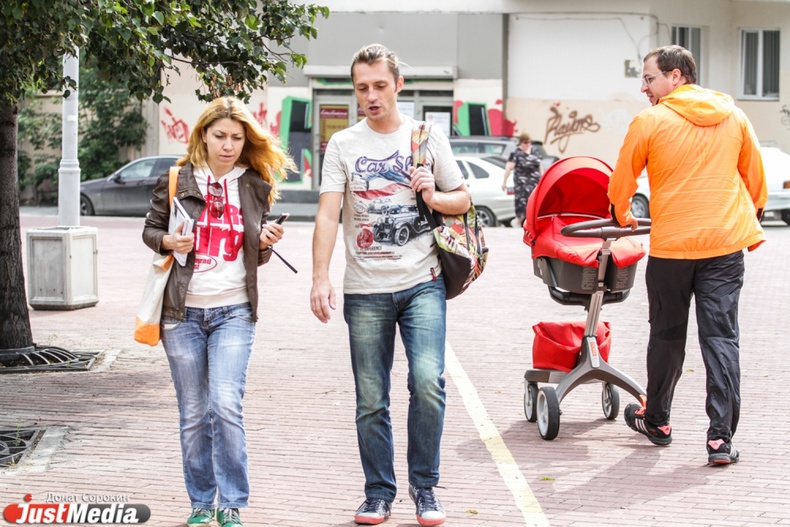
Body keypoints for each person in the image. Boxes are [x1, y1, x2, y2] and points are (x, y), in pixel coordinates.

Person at [310, 43, 470, 526]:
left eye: (380, 86)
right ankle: (378, 492)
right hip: (365, 289)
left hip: (423, 282)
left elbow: (462, 199)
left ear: (398, 85)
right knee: (370, 398)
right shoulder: (343, 144)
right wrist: (320, 277)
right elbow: (328, 214)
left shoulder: (426, 136)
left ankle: (425, 487)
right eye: (362, 88)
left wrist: (433, 195)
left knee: (428, 382)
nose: (371, 96)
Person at [608, 45, 767, 466]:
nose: (644, 88)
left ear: (675, 76)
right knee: (721, 339)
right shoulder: (734, 116)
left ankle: (657, 420)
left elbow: (622, 180)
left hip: (672, 250)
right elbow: (755, 178)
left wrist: (622, 215)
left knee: (666, 336)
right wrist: (749, 218)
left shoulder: (650, 121)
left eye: (649, 79)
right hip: (724, 248)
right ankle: (720, 440)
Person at [142, 96, 293, 526]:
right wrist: (168, 241)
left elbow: (255, 256)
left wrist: (264, 242)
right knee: (194, 413)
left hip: (234, 311)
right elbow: (151, 230)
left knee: (225, 404)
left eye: (237, 138)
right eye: (220, 136)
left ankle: (231, 502)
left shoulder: (255, 184)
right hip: (181, 314)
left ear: (246, 141)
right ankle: (200, 501)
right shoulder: (177, 178)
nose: (228, 145)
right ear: (203, 135)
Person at [501, 132, 542, 228]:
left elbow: (540, 165)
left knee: (535, 203)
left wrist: (542, 177)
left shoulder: (535, 150)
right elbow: (508, 168)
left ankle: (532, 224)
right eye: (525, 142)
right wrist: (504, 182)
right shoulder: (516, 153)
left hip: (534, 183)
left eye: (529, 142)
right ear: (520, 142)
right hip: (522, 184)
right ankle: (518, 222)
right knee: (522, 204)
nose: (528, 144)